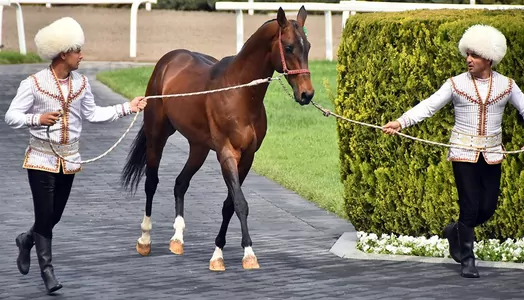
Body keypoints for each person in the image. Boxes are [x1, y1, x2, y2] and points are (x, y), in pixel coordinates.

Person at [4, 17, 147, 294]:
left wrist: (128, 107)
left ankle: (25, 239)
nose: (82, 55)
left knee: (53, 216)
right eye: (77, 50)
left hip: (69, 160)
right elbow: (11, 116)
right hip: (40, 159)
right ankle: (47, 271)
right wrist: (37, 118)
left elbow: (93, 114)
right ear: (63, 53)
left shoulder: (81, 83)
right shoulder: (33, 84)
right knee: (45, 217)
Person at [382, 24, 524, 278]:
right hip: (462, 152)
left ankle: (455, 230)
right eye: (467, 54)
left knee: (488, 207)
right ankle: (467, 259)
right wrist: (400, 122)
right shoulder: (456, 84)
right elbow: (429, 105)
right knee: (469, 206)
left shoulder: (507, 85)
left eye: (475, 55)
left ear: (489, 59)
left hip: (492, 154)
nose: (469, 60)